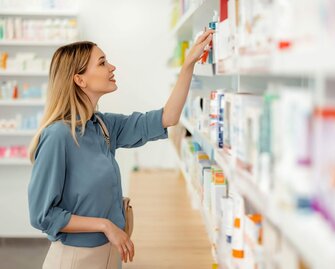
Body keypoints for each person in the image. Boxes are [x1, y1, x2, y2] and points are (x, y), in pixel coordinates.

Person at [27, 29, 214, 269]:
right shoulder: (57, 136)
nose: (112, 67)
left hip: (111, 251)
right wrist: (104, 225)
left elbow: (168, 117)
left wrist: (188, 64)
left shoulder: (103, 126)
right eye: (102, 63)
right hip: (76, 258)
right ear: (79, 79)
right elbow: (42, 215)